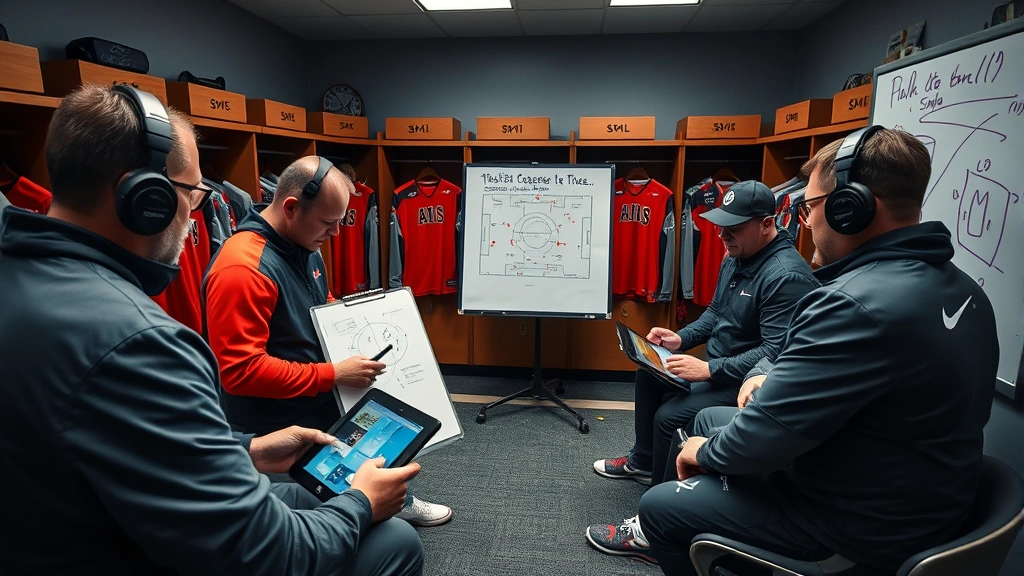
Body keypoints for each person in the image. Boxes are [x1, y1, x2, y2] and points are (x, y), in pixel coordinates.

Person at [0, 84, 424, 575]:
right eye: (192, 191)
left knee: (294, 489)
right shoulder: (143, 341)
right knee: (392, 540)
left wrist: (246, 449)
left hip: (68, 525)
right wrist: (360, 503)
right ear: (147, 199)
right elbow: (269, 555)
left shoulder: (21, 278)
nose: (198, 208)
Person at [605, 127, 999, 575]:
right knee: (711, 419)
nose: (806, 222)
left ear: (853, 208)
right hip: (916, 498)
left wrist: (704, 453)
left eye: (810, 207)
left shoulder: (852, 303)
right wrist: (762, 375)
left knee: (663, 502)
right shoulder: (965, 290)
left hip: (856, 528)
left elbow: (764, 438)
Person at [203, 155, 452, 527]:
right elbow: (239, 371)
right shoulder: (243, 269)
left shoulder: (301, 243)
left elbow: (316, 303)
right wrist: (332, 374)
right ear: (290, 208)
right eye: (329, 223)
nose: (336, 234)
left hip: (318, 398)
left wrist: (355, 315)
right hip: (278, 420)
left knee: (374, 445)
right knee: (323, 520)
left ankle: (385, 504)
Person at [593, 180, 818, 490]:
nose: (722, 235)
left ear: (767, 225)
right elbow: (714, 312)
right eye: (720, 226)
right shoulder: (736, 256)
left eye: (734, 228)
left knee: (668, 417)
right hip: (717, 366)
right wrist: (680, 339)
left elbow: (774, 353)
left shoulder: (786, 276)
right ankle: (643, 462)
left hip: (744, 383)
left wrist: (709, 370)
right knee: (649, 374)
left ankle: (658, 509)